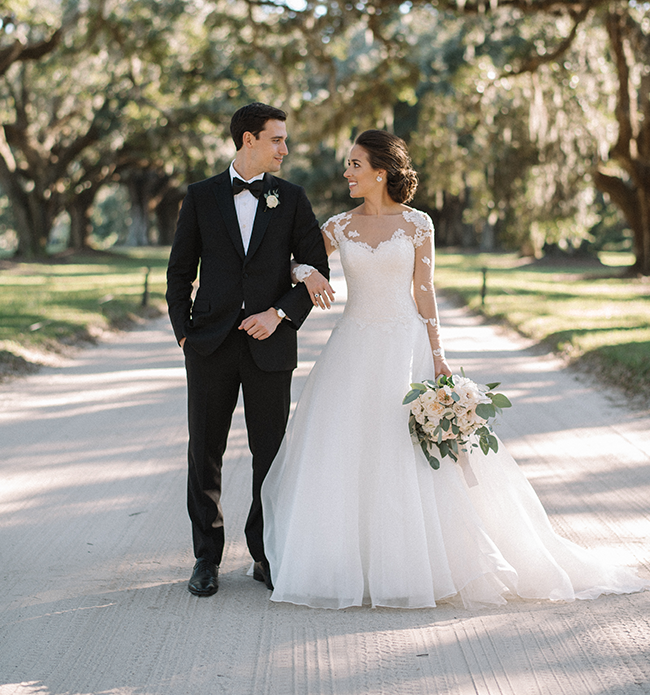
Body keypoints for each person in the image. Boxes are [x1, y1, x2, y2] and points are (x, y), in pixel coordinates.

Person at [261, 129, 648, 609]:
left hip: (405, 345)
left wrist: (438, 355)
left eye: (355, 165)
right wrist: (309, 272)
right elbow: (293, 261)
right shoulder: (339, 226)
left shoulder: (418, 223)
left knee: (413, 452)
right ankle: (348, 565)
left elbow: (425, 292)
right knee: (344, 447)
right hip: (352, 345)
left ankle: (423, 565)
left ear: (381, 171)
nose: (347, 173)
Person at [166, 103, 332, 597]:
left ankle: (265, 554)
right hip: (210, 345)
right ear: (247, 140)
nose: (285, 148)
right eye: (277, 139)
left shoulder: (293, 198)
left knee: (271, 455)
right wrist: (184, 334)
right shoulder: (200, 197)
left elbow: (315, 267)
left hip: (270, 346)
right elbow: (179, 271)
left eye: (284, 139)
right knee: (206, 452)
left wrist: (278, 314)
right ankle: (206, 559)